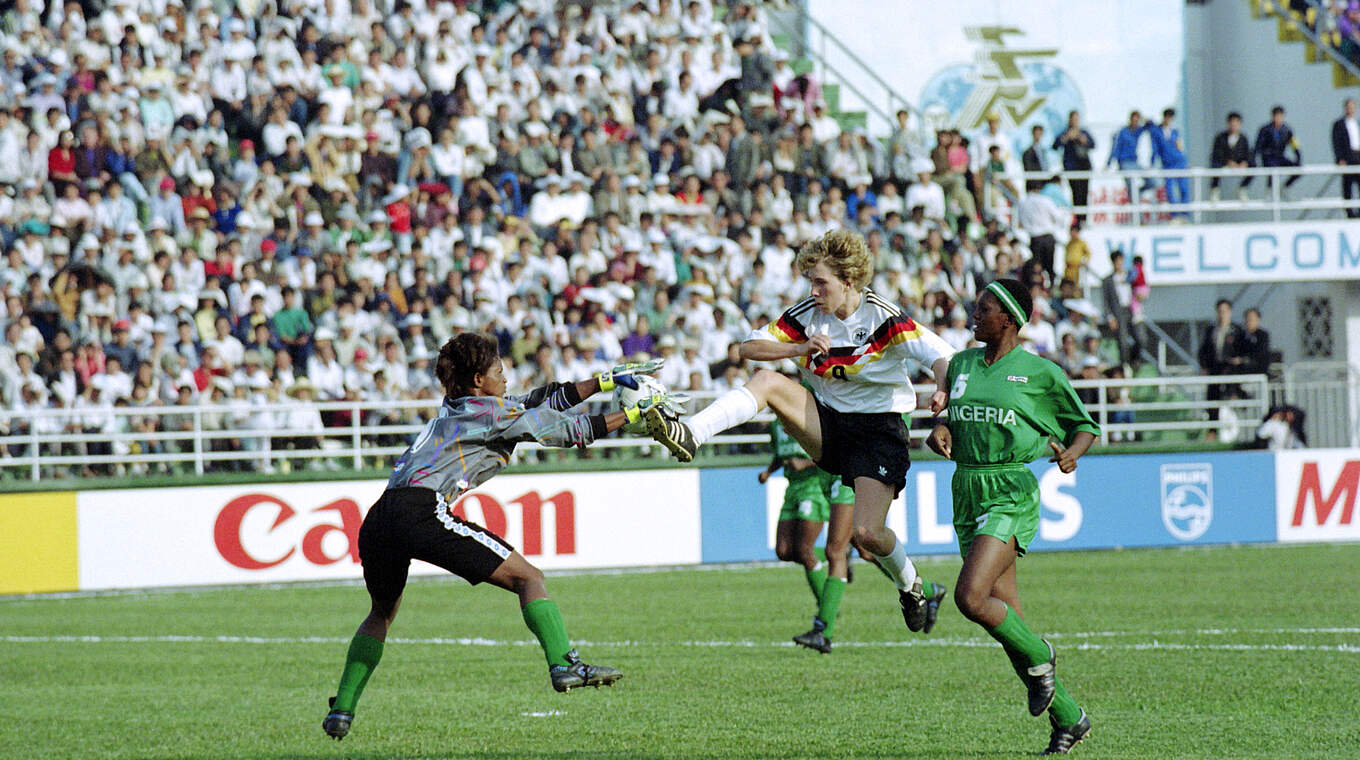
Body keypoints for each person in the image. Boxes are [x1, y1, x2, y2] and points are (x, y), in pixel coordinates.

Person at [321, 334, 675, 740]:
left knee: (381, 613)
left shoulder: (458, 407)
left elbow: (538, 401)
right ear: (478, 380)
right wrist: (635, 416)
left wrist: (605, 381)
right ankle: (564, 663)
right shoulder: (490, 415)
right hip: (421, 509)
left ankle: (343, 709)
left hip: (380, 516)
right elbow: (567, 431)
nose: (506, 379)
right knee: (530, 578)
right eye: (499, 373)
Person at [643, 230, 954, 634]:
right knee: (768, 380)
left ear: (849, 280)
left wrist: (944, 390)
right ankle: (691, 433)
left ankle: (913, 586)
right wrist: (798, 348)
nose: (813, 289)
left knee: (867, 534)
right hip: (827, 421)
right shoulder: (808, 313)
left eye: (821, 281)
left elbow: (943, 355)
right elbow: (749, 347)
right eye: (810, 280)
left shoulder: (885, 317)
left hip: (880, 430)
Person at [925, 279, 1099, 755]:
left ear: (1009, 318)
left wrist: (1071, 455)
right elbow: (949, 415)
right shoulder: (960, 364)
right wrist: (940, 429)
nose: (973, 314)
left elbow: (1085, 426)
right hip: (966, 486)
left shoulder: (1039, 373)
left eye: (983, 309)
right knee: (1009, 623)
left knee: (969, 595)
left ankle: (1045, 655)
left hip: (1009, 490)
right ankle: (1070, 718)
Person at [758, 415, 857, 653]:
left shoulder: (804, 418)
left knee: (805, 550)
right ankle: (845, 553)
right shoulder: (776, 426)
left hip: (813, 488)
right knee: (784, 551)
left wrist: (805, 464)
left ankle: (827, 604)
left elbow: (830, 451)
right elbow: (781, 454)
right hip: (792, 489)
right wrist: (769, 471)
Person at [1196, 299, 1245, 418]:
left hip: (1230, 370)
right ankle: (1212, 429)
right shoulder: (1211, 330)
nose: (1222, 314)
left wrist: (1238, 361)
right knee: (1212, 398)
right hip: (1214, 369)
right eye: (1219, 311)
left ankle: (1231, 427)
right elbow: (1203, 350)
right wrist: (1204, 366)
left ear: (1230, 312)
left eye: (1224, 311)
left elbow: (1242, 349)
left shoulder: (1237, 330)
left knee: (1231, 398)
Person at [1053, 111, 1095, 220]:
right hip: (1071, 168)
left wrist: (1082, 139)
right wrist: (1066, 137)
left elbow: (1093, 144)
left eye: (1077, 119)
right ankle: (1077, 219)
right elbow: (1055, 145)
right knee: (1075, 193)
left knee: (1084, 193)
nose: (1075, 121)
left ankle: (1084, 219)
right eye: (1073, 119)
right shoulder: (1065, 132)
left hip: (1084, 167)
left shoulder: (1083, 132)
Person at [1148, 108, 1189, 216]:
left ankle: (1185, 215)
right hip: (1168, 164)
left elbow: (1180, 148)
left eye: (1171, 118)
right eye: (1167, 117)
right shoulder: (1157, 132)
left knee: (1184, 189)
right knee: (1170, 191)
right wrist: (1151, 163)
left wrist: (1185, 161)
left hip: (1180, 162)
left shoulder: (1175, 131)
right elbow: (1155, 149)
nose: (1169, 120)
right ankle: (1174, 215)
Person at [1254, 106, 1301, 196]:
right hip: (1268, 157)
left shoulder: (1287, 130)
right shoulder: (1265, 130)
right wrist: (1257, 157)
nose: (1279, 119)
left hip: (1280, 157)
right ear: (1273, 117)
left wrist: (1298, 156)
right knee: (1273, 169)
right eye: (1277, 116)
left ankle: (1286, 187)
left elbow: (1294, 144)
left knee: (1298, 168)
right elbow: (1258, 145)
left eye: (1281, 117)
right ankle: (1269, 190)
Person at [1209, 112, 1254, 201]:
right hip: (1224, 163)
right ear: (1228, 124)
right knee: (1214, 165)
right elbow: (1217, 153)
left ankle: (1242, 189)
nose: (1234, 126)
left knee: (1253, 165)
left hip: (1238, 164)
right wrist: (1228, 162)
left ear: (1240, 124)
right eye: (1232, 124)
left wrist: (1244, 162)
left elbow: (1248, 153)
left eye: (1236, 124)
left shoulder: (1243, 138)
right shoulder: (1220, 137)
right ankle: (1215, 190)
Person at [1330, 98, 1360, 218]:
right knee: (1347, 186)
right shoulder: (1339, 124)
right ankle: (1349, 213)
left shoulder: (1357, 123)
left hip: (1358, 155)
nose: (1350, 109)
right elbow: (1336, 142)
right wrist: (1340, 158)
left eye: (1352, 107)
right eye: (1348, 107)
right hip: (1348, 157)